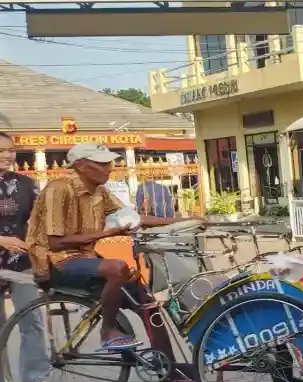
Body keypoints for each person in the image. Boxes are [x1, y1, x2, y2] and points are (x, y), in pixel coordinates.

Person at [26, 142, 186, 350]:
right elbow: (55, 243)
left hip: (85, 259)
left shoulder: (99, 191)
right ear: (82, 165)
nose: (109, 168)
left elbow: (133, 218)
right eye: (102, 164)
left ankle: (169, 368)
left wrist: (183, 221)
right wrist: (107, 232)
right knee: (117, 268)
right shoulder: (59, 189)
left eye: (109, 163)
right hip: (54, 262)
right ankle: (108, 330)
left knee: (147, 301)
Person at [0, 131, 52, 382]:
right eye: (1, 151)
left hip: (21, 261)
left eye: (10, 150)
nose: (7, 155)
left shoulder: (25, 184)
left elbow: (39, 220)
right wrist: (2, 240)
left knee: (30, 318)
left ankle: (38, 374)